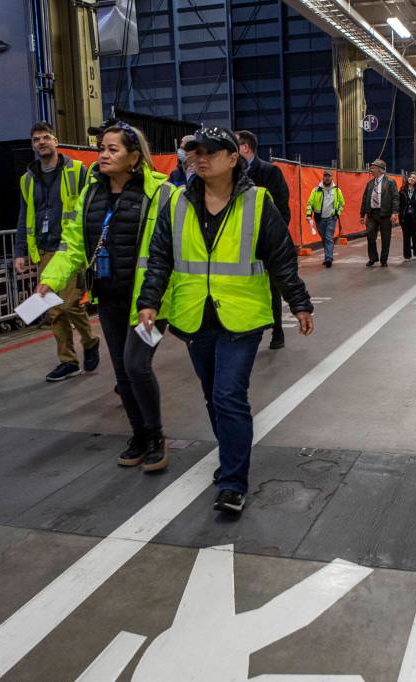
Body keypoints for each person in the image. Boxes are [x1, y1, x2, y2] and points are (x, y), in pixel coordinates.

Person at [137, 127, 314, 514]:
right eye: (195, 152)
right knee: (212, 395)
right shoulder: (178, 203)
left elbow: (281, 258)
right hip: (195, 315)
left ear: (234, 159)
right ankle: (232, 458)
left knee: (228, 395)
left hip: (241, 317)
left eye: (210, 152)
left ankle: (233, 481)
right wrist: (148, 301)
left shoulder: (258, 202)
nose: (200, 158)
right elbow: (160, 257)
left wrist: (299, 302)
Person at [38, 122, 175, 472]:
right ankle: (139, 435)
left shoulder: (162, 194)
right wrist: (50, 280)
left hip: (151, 304)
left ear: (134, 156)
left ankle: (157, 436)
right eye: (102, 148)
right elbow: (71, 245)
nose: (103, 154)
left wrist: (155, 300)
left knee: (136, 364)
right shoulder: (91, 195)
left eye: (113, 149)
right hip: (111, 298)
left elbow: (173, 250)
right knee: (122, 370)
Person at [14, 121, 100, 382]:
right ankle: (68, 361)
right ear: (32, 145)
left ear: (56, 140)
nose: (41, 142)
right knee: (54, 310)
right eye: (36, 139)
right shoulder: (27, 179)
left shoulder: (77, 170)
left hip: (71, 250)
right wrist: (20, 251)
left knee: (69, 304)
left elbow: (91, 206)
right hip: (44, 251)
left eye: (45, 137)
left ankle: (90, 340)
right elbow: (23, 216)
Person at [236, 130, 291, 351]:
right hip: (238, 242)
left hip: (265, 241)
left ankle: (277, 330)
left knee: (272, 287)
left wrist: (272, 237)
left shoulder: (270, 171)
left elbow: (282, 208)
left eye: (235, 144)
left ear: (245, 147)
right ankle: (249, 330)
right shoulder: (231, 174)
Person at [360, 159, 400, 267]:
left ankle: (384, 259)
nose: (371, 170)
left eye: (373, 168)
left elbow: (396, 197)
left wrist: (395, 212)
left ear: (379, 169)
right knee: (370, 235)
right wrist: (362, 214)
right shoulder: (370, 184)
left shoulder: (390, 182)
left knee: (386, 238)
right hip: (372, 214)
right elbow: (365, 199)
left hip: (385, 214)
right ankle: (373, 258)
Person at [305, 170, 345, 268]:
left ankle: (329, 258)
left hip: (331, 218)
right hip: (319, 219)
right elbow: (310, 203)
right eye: (325, 176)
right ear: (323, 177)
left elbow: (342, 204)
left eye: (329, 176)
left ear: (332, 178)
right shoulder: (316, 190)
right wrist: (309, 215)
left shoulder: (337, 190)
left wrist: (337, 214)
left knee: (328, 237)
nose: (327, 178)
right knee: (324, 238)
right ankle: (327, 255)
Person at [398, 171, 416, 260]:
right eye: (410, 177)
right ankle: (407, 254)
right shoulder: (402, 189)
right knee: (406, 236)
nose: (411, 179)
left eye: (414, 178)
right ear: (408, 178)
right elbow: (399, 202)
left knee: (415, 235)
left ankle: (414, 246)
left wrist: (414, 202)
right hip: (404, 216)